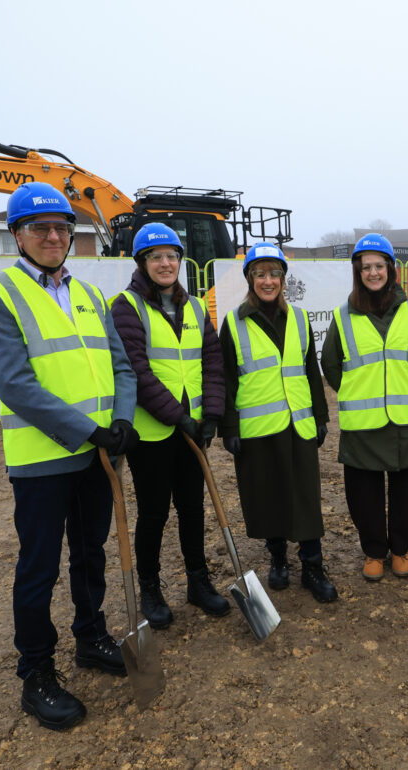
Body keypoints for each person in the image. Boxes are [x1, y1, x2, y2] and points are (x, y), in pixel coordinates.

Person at [0, 182, 140, 731]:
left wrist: (122, 422)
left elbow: (121, 367)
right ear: (17, 234)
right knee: (37, 568)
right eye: (39, 228)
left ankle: (90, 637)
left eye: (62, 228)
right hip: (44, 460)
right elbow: (16, 385)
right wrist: (90, 431)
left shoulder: (89, 296)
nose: (52, 236)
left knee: (90, 554)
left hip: (98, 456)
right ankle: (36, 672)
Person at [110, 222, 231, 630]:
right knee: (154, 512)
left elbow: (212, 362)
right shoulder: (127, 306)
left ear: (181, 260)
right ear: (142, 263)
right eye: (156, 257)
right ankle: (150, 588)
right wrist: (176, 416)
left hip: (193, 428)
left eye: (171, 256)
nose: (165, 263)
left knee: (193, 508)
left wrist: (210, 415)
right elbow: (136, 371)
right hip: (153, 433)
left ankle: (198, 582)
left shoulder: (196, 307)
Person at [218, 243, 337, 602]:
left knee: (305, 497)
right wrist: (230, 427)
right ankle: (278, 559)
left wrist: (320, 416)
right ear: (249, 278)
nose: (268, 281)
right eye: (260, 274)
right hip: (258, 429)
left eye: (274, 274)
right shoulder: (234, 323)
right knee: (268, 496)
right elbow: (226, 379)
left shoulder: (299, 319)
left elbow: (310, 373)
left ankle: (312, 566)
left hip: (298, 424)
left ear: (284, 280)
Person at [322, 233, 408, 580]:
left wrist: (400, 386)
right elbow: (332, 367)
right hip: (362, 422)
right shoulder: (343, 316)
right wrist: (357, 391)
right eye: (365, 267)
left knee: (406, 491)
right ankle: (373, 551)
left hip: (405, 418)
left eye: (378, 266)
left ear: (390, 269)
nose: (372, 273)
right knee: (363, 494)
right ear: (358, 272)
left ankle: (399, 549)